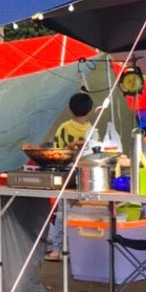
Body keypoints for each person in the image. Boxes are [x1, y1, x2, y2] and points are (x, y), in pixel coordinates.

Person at [46, 92, 94, 262]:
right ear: (90, 110)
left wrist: (70, 147)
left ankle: (57, 250)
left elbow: (56, 151)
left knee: (62, 212)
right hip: (86, 174)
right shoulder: (91, 130)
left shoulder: (64, 128)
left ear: (70, 109)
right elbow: (96, 152)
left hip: (65, 173)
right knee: (83, 212)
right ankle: (77, 250)